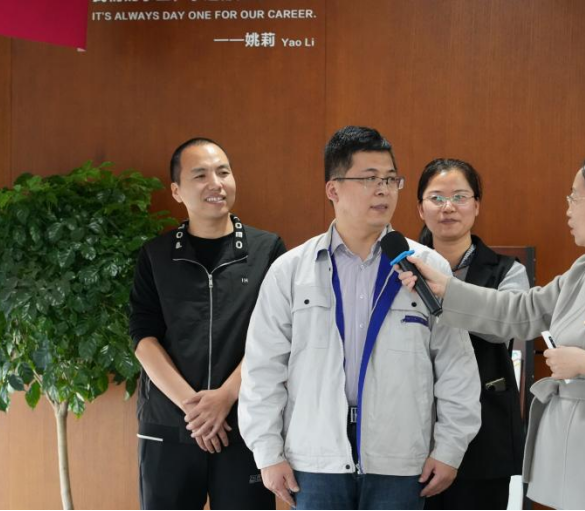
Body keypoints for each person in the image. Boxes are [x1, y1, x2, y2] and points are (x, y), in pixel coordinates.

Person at [398, 149, 585, 509]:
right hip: (575, 449)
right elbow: (522, 311)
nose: (567, 208)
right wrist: (447, 289)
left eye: (575, 197)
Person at [238, 126, 482, 510]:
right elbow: (263, 368)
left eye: (390, 179)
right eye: (369, 179)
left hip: (400, 459)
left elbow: (456, 367)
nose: (383, 190)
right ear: (333, 189)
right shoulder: (291, 270)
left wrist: (450, 448)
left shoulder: (426, 267)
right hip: (314, 459)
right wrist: (267, 452)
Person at [129, 138, 285, 510]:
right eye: (200, 175)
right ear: (177, 190)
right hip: (170, 426)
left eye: (223, 172)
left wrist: (225, 398)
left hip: (244, 425)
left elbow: (278, 337)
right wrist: (195, 409)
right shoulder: (156, 255)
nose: (216, 183)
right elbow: (143, 338)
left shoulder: (267, 250)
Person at [416, 158, 529, 510]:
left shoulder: (508, 271)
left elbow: (505, 327)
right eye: (436, 198)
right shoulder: (401, 266)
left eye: (460, 197)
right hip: (413, 424)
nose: (448, 207)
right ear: (420, 208)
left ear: (477, 206)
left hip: (487, 432)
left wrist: (447, 294)